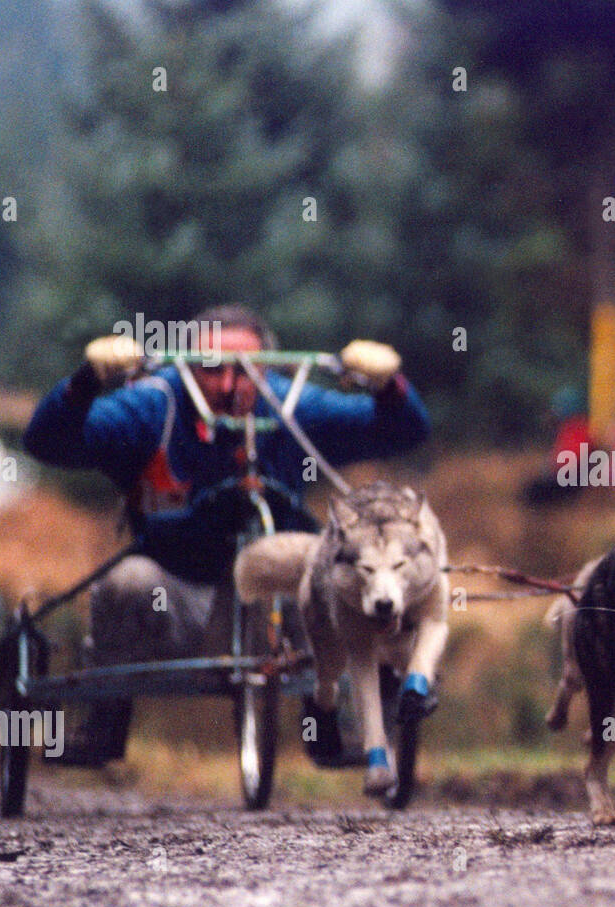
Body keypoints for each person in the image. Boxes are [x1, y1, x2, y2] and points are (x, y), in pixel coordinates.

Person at [23, 304, 431, 765]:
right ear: (187, 366)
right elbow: (47, 441)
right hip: (177, 583)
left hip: (275, 584)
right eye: (211, 369)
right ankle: (104, 722)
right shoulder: (154, 405)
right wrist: (85, 383)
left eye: (248, 371)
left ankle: (334, 724)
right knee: (125, 582)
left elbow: (405, 430)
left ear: (269, 370)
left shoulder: (293, 405)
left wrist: (389, 384)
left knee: (335, 579)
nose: (230, 386)